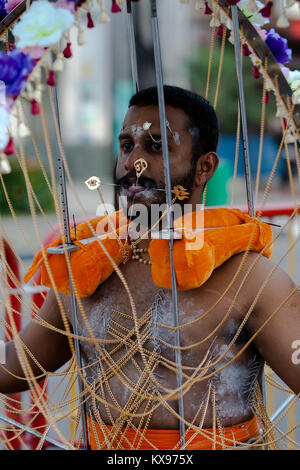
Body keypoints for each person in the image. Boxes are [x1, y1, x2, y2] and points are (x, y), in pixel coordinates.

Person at [0, 86, 299, 450]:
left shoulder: (249, 276)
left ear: (205, 167)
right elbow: (17, 363)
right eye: (127, 146)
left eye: (156, 147)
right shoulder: (86, 266)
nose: (132, 164)